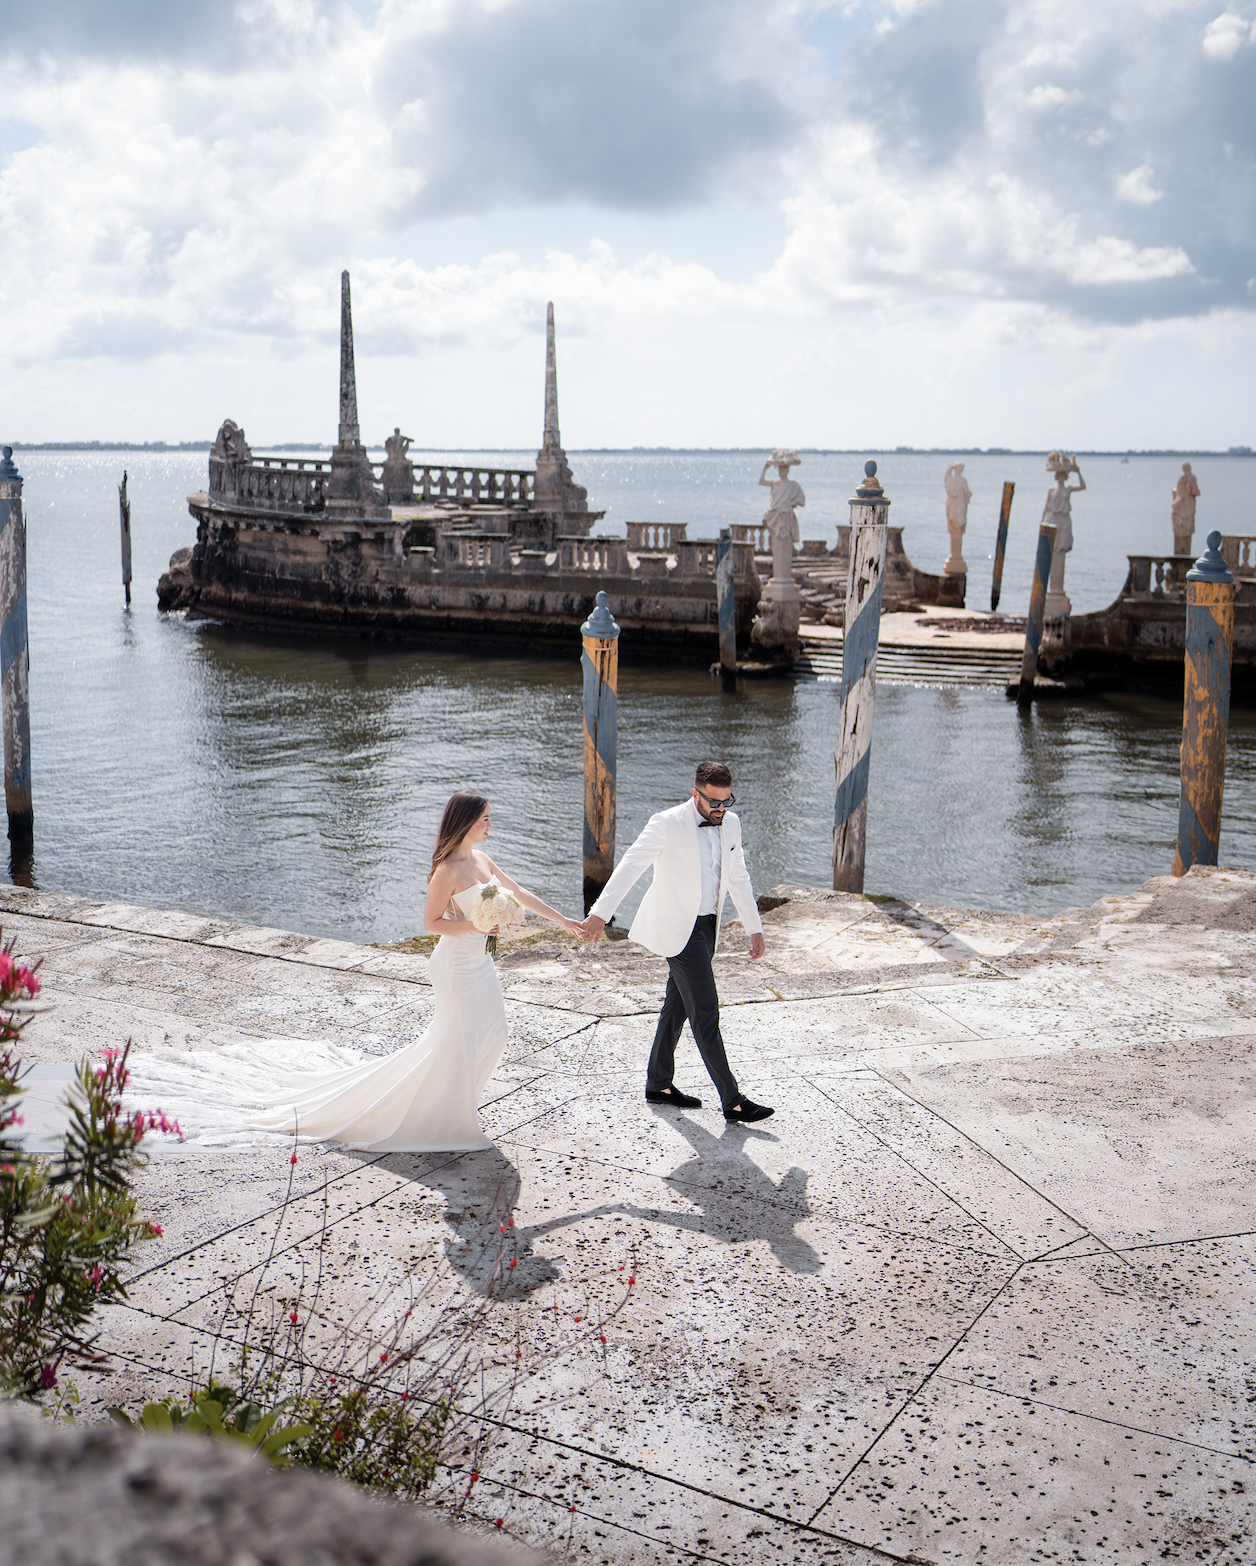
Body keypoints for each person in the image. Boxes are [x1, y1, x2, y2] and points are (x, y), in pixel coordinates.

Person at [251, 792, 582, 1151]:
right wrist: (476, 926)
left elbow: (517, 892)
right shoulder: (447, 871)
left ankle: (450, 1106)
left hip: (481, 963)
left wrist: (562, 920)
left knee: (496, 1032)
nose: (490, 824)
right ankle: (445, 1116)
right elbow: (431, 923)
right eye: (485, 818)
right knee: (459, 1040)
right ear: (467, 822)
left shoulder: (483, 860)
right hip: (455, 966)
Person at [579, 763, 773, 1123]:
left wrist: (754, 927)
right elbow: (630, 865)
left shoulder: (731, 823)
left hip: (708, 927)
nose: (721, 808)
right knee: (706, 1013)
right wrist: (600, 914)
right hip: (678, 930)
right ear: (695, 793)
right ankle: (732, 1100)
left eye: (727, 800)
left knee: (677, 1007)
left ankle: (658, 1083)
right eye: (714, 802)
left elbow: (739, 875)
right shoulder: (666, 822)